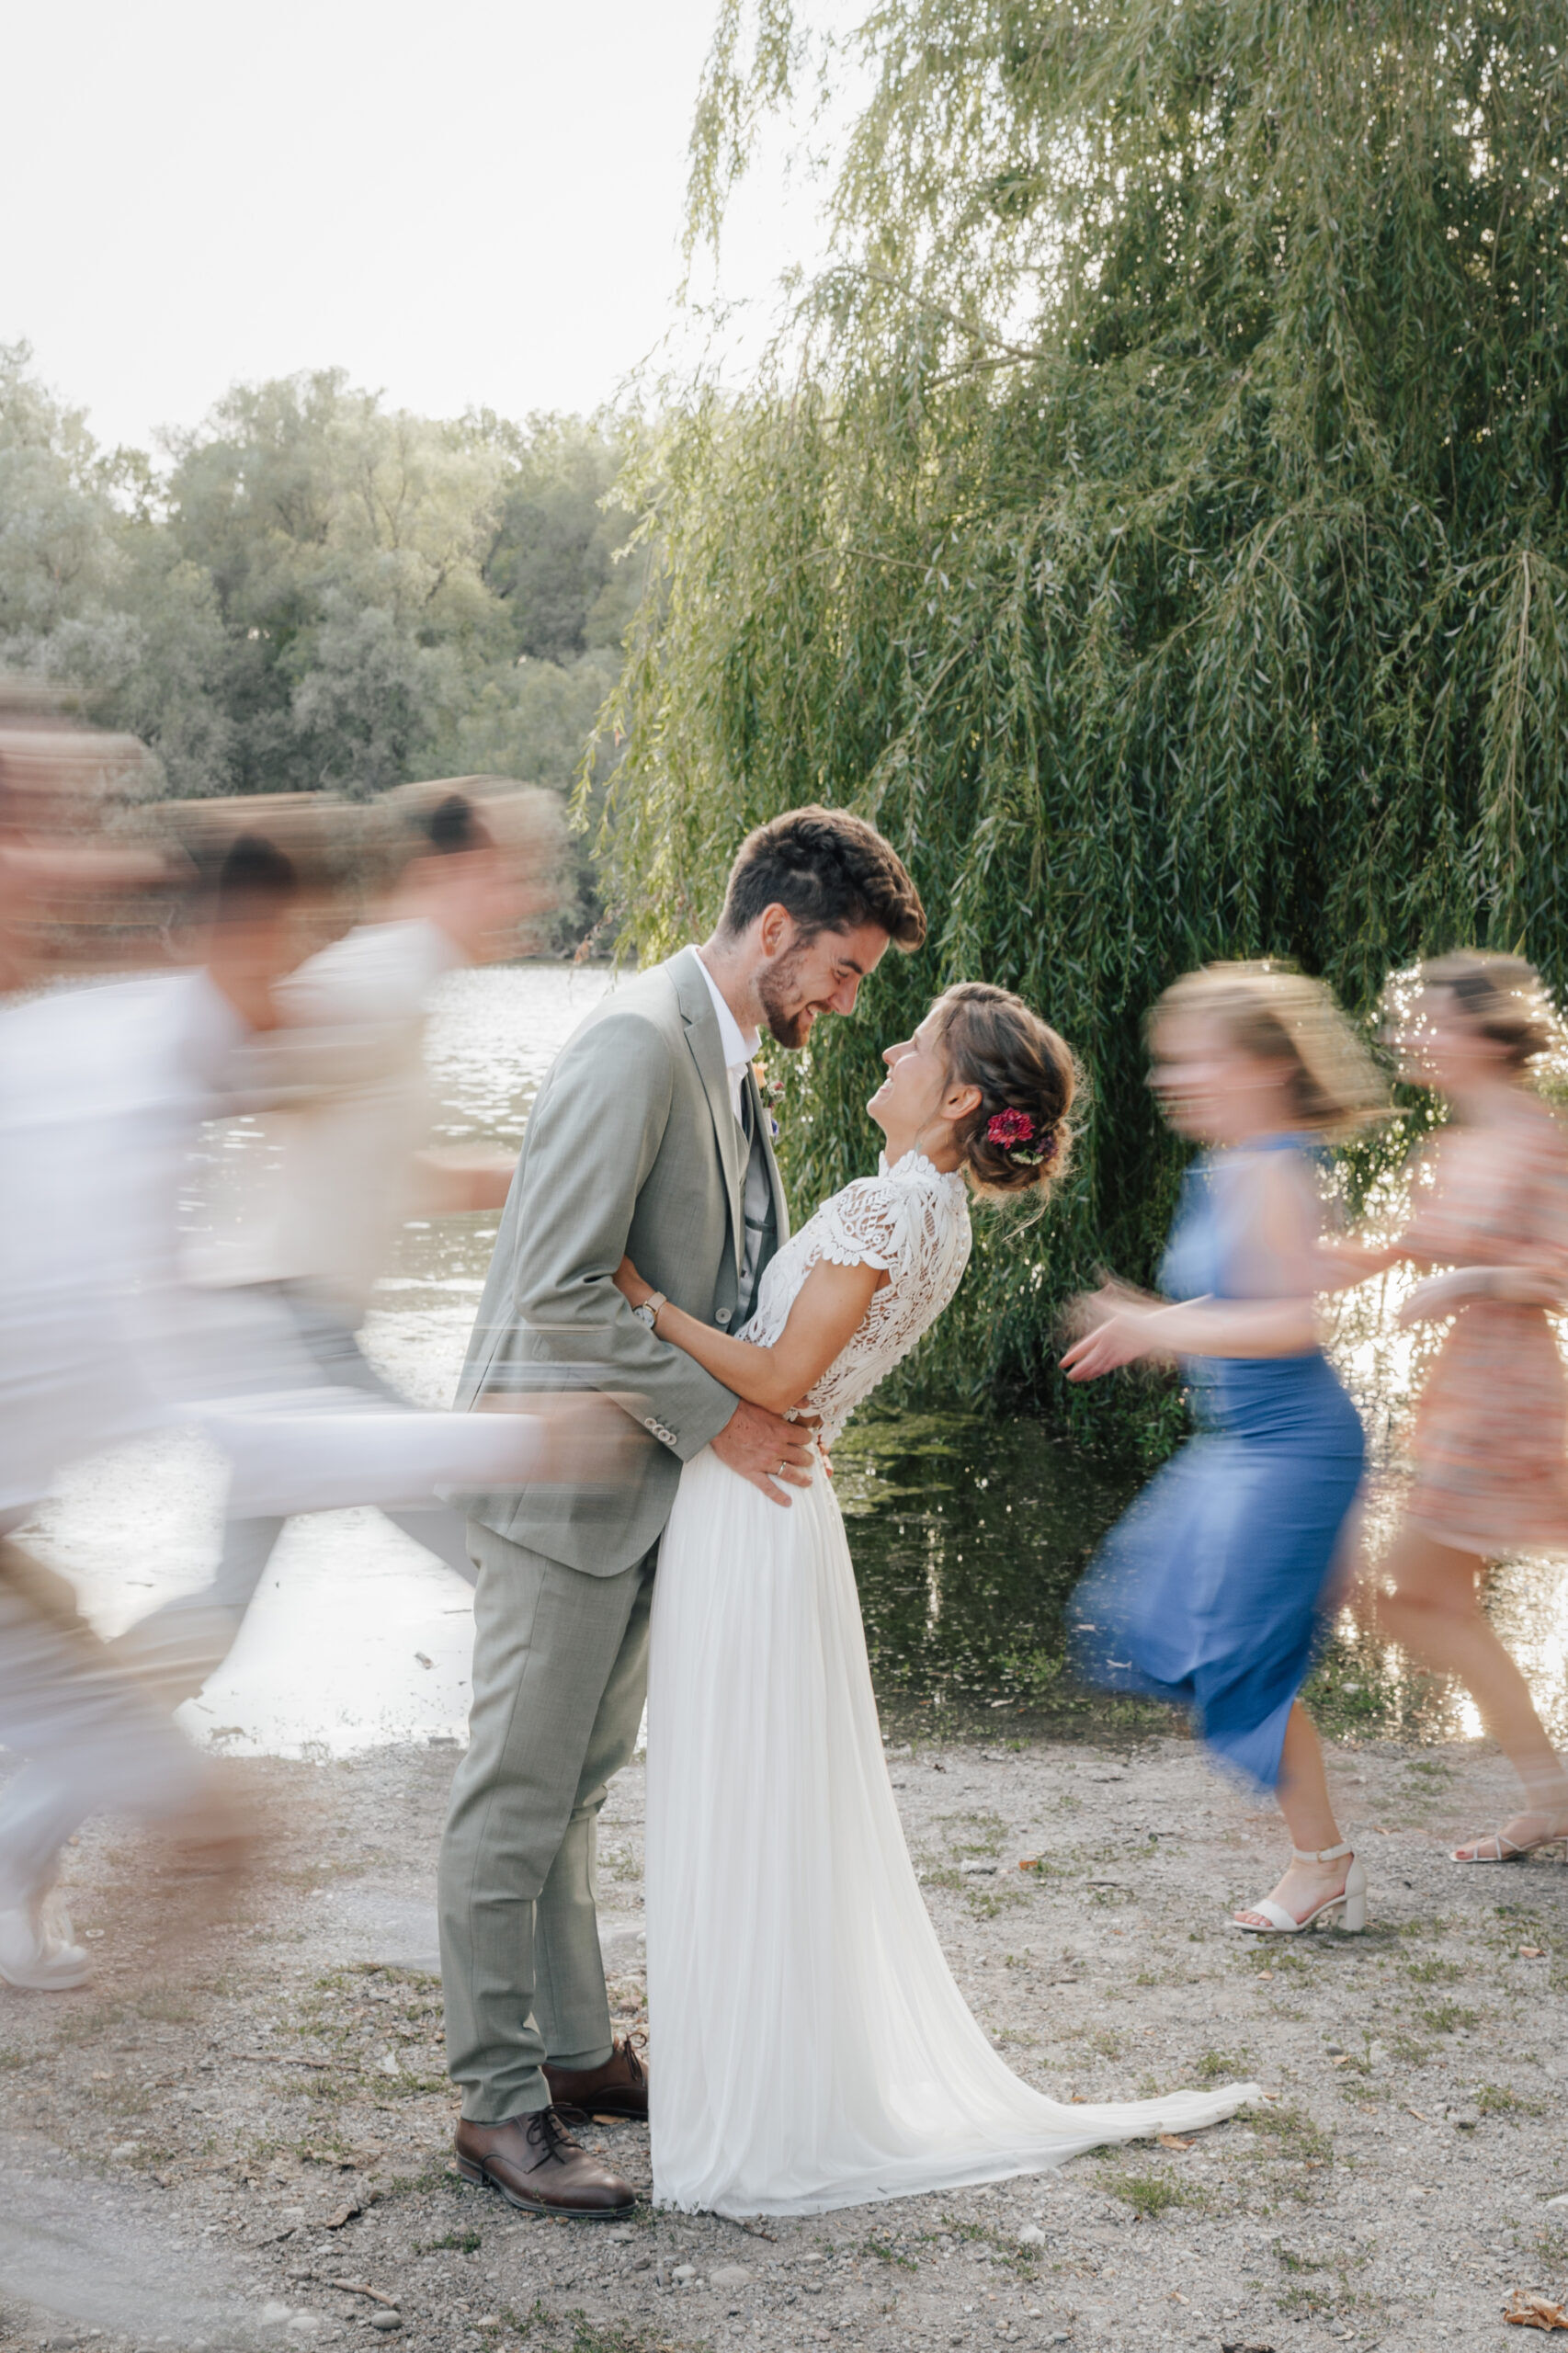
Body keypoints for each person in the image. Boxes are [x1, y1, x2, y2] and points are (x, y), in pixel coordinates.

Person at [619, 981, 1256, 2216]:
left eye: (915, 1043)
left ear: (959, 1095)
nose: (893, 1047)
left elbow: (782, 1373)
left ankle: (753, 2104)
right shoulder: (937, 1217)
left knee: (739, 1792)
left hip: (753, 1505)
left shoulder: (882, 1204)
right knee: (752, 1795)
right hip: (775, 1508)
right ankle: (754, 2076)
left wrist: (644, 1301)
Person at [440, 806, 926, 2222]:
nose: (843, 1005)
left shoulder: (725, 1061)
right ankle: (495, 2102)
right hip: (560, 1476)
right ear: (775, 932)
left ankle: (576, 2050)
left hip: (644, 1479)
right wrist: (728, 1417)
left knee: (578, 1786)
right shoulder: (635, 1045)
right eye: (840, 975)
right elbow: (554, 1285)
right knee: (513, 1798)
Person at [116, 786, 555, 1706]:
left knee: (225, 1603)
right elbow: (236, 1059)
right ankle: (561, 1732)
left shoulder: (401, 981)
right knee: (486, 1545)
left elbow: (404, 1176)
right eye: (511, 873)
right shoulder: (385, 977)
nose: (527, 897)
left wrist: (561, 1176)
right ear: (455, 872)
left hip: (289, 1325)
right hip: (295, 1330)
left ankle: (63, 1730)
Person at [1062, 964, 1385, 1939]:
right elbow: (1242, 1301)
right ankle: (1314, 1850)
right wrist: (1149, 1325)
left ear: (1258, 1067)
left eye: (1191, 1062)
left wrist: (1160, 1329)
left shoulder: (1274, 1169)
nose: (1171, 1082)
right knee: (1156, 1623)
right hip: (1237, 1447)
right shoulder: (1229, 1166)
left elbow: (1289, 1321)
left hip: (1289, 1448)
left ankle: (1319, 1864)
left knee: (1240, 1660)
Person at [1335, 952, 1568, 1865]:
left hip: (1507, 1393)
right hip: (1464, 1387)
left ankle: (1549, 1791)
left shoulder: (1538, 1138)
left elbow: (1555, 1274)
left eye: (1429, 1022)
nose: (1409, 1038)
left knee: (1412, 1596)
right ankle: (1548, 1791)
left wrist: (1469, 1277)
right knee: (1418, 1599)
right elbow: (1397, 1247)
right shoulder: (1455, 1142)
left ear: (1482, 1034)